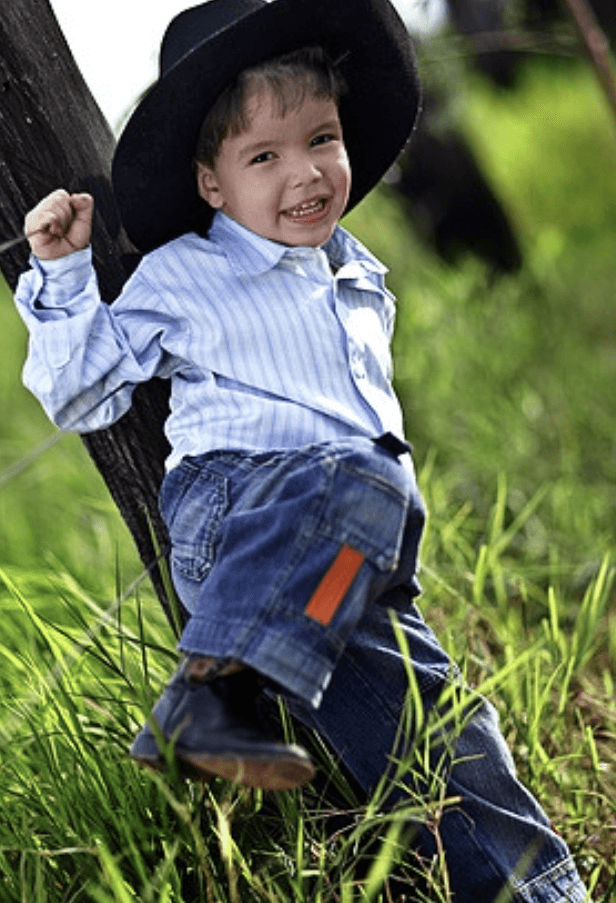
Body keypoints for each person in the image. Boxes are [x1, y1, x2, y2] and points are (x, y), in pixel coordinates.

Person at [13, 0, 589, 899]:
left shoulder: (356, 273)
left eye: (322, 138)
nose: (307, 172)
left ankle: (543, 890)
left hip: (344, 568)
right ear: (212, 185)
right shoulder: (191, 272)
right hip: (246, 523)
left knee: (443, 732)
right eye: (264, 157)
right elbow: (85, 391)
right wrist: (60, 274)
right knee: (362, 479)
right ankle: (210, 690)